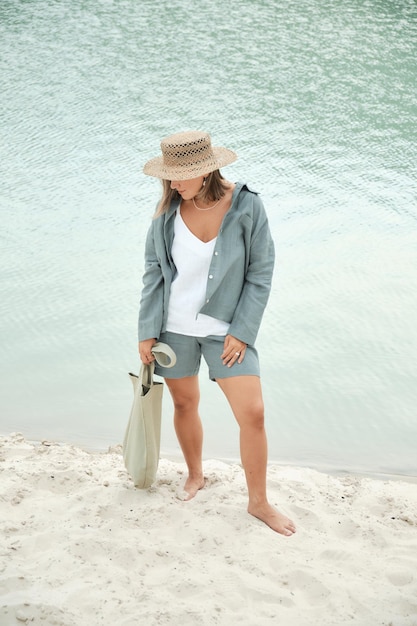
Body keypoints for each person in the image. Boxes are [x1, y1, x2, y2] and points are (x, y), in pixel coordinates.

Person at [138, 130, 296, 536]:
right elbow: (154, 274)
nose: (173, 184)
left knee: (254, 414)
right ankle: (195, 475)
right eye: (168, 177)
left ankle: (258, 502)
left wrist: (242, 331)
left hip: (226, 330)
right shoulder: (166, 212)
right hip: (172, 330)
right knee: (185, 404)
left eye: (179, 176)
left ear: (204, 170)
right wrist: (146, 332)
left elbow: (261, 274)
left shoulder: (247, 206)